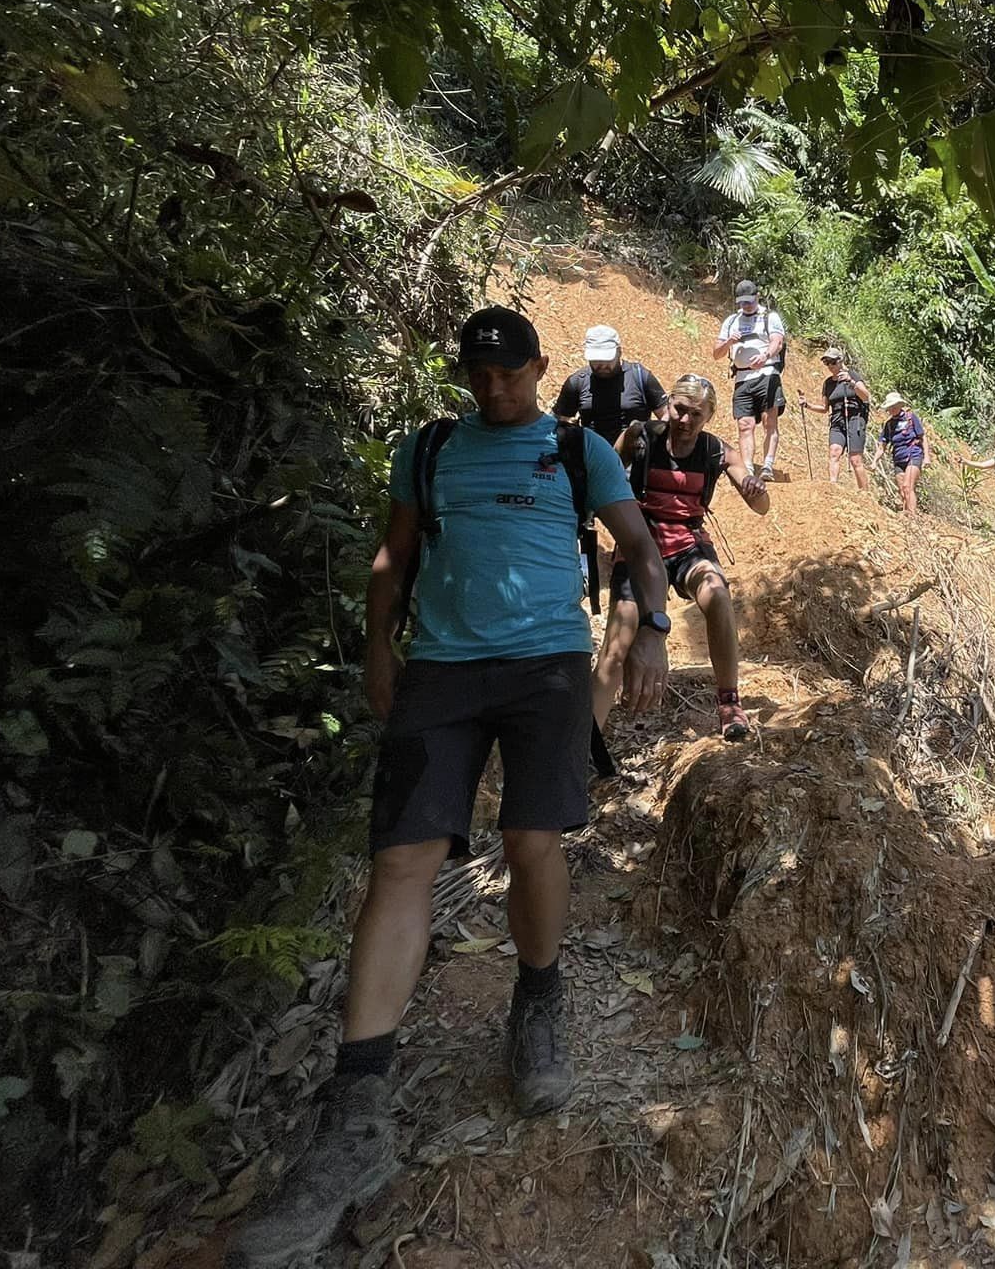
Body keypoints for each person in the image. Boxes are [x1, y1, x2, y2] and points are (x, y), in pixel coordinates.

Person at [231, 307, 670, 1269]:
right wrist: (379, 645)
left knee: (533, 842)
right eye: (479, 374)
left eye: (509, 373)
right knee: (402, 861)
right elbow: (395, 555)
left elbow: (638, 546)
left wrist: (648, 632)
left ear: (538, 368)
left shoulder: (576, 447)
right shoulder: (427, 450)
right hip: (441, 667)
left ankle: (539, 1003)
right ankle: (356, 1109)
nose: (494, 389)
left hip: (549, 664)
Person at [604, 375, 770, 739]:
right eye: (680, 410)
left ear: (709, 416)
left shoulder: (716, 451)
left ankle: (729, 702)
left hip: (687, 541)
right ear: (668, 405)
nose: (685, 420)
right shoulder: (642, 435)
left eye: (696, 414)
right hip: (639, 539)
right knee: (625, 620)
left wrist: (753, 489)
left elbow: (760, 506)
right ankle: (598, 711)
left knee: (718, 593)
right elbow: (608, 469)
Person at [711, 280, 786, 483]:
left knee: (770, 420)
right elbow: (716, 353)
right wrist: (729, 342)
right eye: (742, 302)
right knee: (745, 424)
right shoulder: (731, 321)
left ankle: (768, 465)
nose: (746, 306)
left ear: (757, 296)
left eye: (749, 301)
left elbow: (777, 342)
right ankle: (749, 468)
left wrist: (764, 356)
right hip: (742, 378)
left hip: (767, 373)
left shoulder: (769, 317)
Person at [551, 324, 666, 448]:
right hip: (592, 455)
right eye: (596, 361)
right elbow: (558, 423)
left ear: (619, 352)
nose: (602, 365)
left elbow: (666, 415)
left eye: (607, 360)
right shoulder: (577, 382)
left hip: (635, 457)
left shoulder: (640, 377)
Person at [801, 347, 872, 489]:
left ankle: (865, 492)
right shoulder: (828, 383)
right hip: (837, 421)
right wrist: (807, 405)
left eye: (832, 362)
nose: (830, 366)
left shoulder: (852, 375)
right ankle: (833, 487)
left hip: (855, 419)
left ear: (840, 361)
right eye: (826, 363)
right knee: (834, 452)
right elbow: (824, 408)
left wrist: (851, 382)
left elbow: (866, 396)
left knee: (855, 458)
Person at [877, 391, 928, 517]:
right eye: (890, 407)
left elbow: (923, 437)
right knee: (902, 490)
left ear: (900, 405)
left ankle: (912, 516)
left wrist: (927, 457)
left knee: (907, 486)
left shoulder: (910, 417)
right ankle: (906, 516)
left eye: (894, 406)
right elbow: (882, 446)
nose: (892, 409)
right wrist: (874, 461)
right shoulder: (888, 425)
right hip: (898, 459)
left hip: (913, 454)